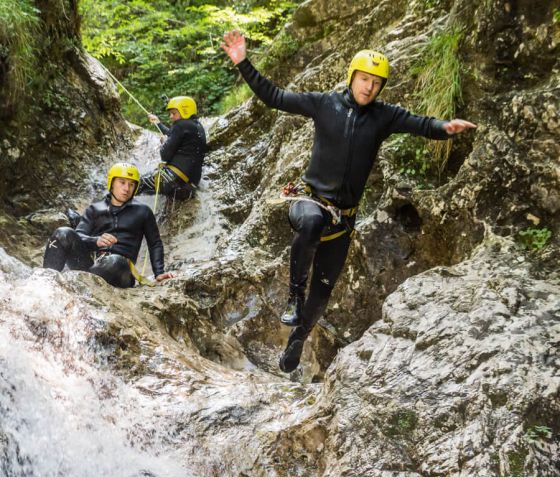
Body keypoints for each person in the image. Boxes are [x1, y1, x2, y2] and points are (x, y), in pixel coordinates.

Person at [221, 30, 477, 373]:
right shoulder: (323, 103)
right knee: (311, 223)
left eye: (375, 82)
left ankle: (299, 336)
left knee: (324, 289)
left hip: (343, 219)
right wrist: (243, 62)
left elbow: (420, 123)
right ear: (352, 77)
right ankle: (293, 298)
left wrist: (444, 127)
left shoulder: (384, 117)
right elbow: (275, 97)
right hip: (308, 201)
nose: (369, 87)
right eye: (364, 79)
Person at [43, 162, 174, 288]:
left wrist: (159, 272)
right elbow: (79, 236)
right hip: (93, 268)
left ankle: (83, 284)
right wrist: (96, 241)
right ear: (112, 183)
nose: (127, 188)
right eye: (122, 183)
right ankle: (45, 282)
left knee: (116, 261)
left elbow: (155, 243)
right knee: (63, 233)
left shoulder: (143, 211)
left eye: (131, 184)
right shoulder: (95, 209)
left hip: (121, 271)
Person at [137, 96, 207, 201]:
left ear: (185, 111)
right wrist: (158, 123)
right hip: (189, 184)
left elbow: (164, 155)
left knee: (136, 183)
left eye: (174, 113)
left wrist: (164, 143)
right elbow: (173, 134)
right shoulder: (196, 126)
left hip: (174, 179)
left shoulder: (180, 125)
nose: (171, 116)